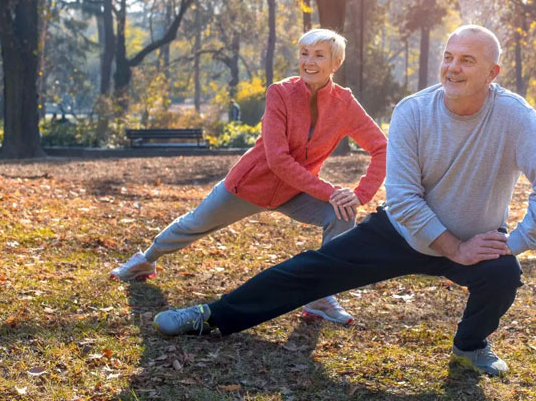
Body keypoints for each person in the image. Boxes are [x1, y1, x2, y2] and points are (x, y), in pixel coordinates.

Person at [152, 25, 536, 376]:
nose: (452, 67)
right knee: (309, 271)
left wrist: (513, 242)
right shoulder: (414, 112)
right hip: (403, 232)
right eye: (448, 56)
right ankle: (211, 316)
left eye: (467, 60)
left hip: (475, 237)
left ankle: (470, 344)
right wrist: (454, 248)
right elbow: (406, 199)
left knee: (503, 276)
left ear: (492, 72)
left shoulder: (514, 115)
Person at [111, 28, 387, 325]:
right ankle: (145, 259)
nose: (309, 61)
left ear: (335, 63)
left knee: (342, 213)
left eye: (319, 55)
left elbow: (382, 147)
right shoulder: (280, 93)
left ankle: (319, 295)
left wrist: (359, 195)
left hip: (295, 192)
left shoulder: (344, 104)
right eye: (304, 53)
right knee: (194, 223)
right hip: (250, 186)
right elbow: (278, 160)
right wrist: (329, 190)